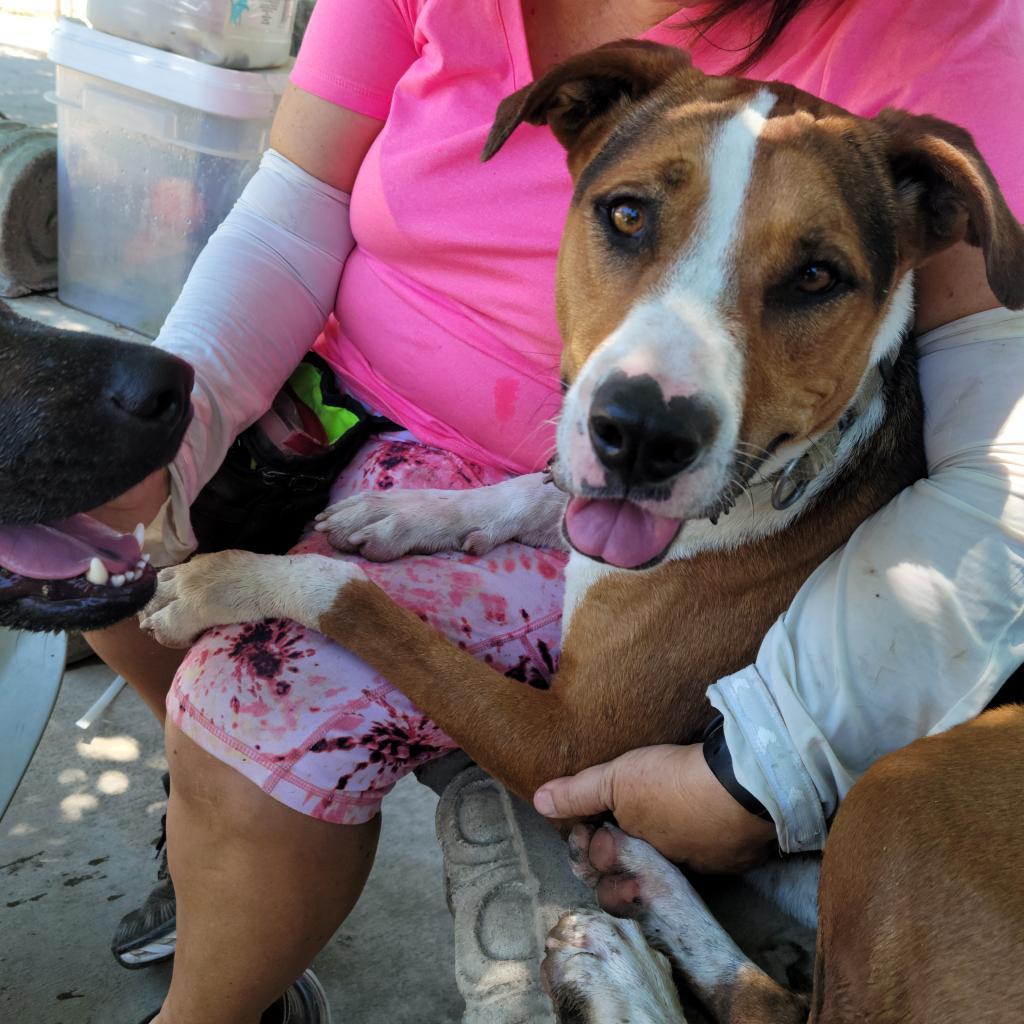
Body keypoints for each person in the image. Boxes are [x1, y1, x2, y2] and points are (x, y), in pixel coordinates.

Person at [82, 1, 1024, 1021]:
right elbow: (292, 203)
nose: (662, 388)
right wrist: (172, 437)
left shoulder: (950, 39)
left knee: (253, 700)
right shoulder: (628, 96)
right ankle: (223, 853)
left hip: (544, 466)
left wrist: (766, 763)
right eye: (630, 221)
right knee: (82, 530)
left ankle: (220, 967)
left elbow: (999, 455)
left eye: (808, 278)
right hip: (352, 398)